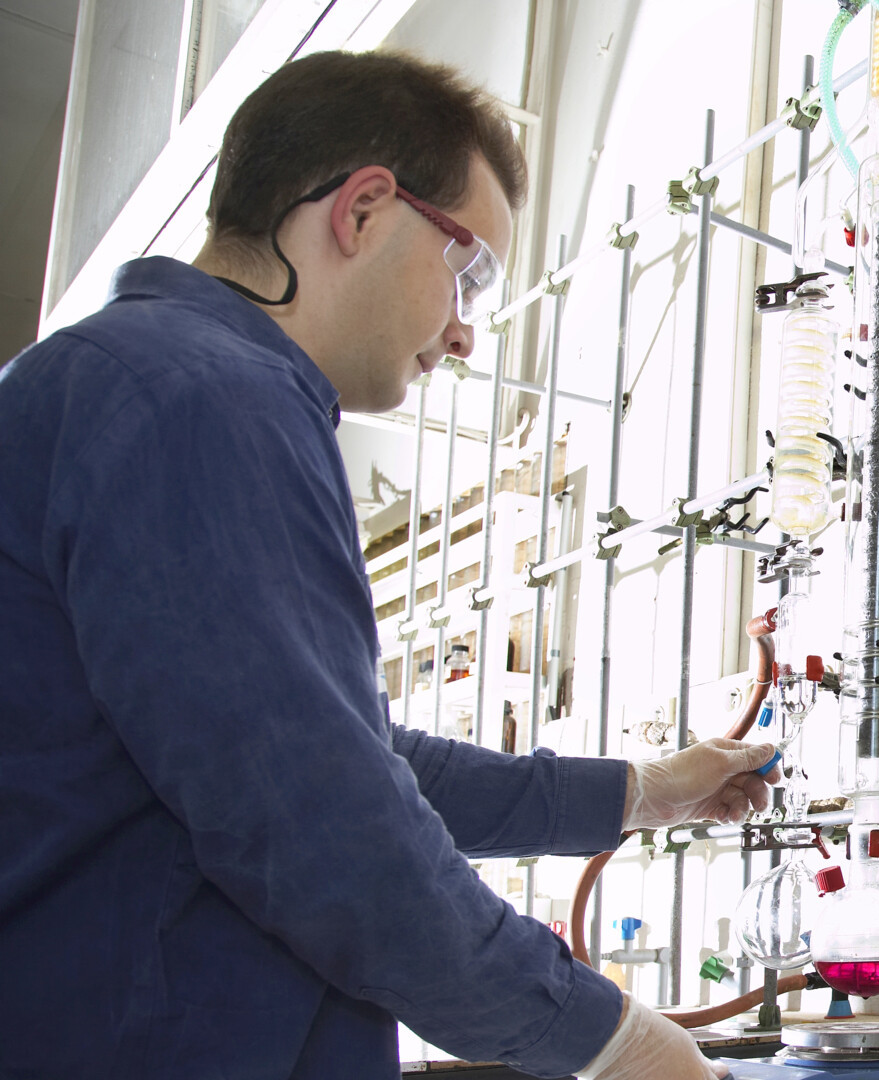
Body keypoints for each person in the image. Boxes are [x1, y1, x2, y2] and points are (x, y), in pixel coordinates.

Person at [0, 51, 772, 1080]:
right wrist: (613, 1043)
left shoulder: (133, 384)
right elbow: (327, 826)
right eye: (469, 274)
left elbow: (341, 756)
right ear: (362, 210)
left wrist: (642, 791)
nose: (461, 331)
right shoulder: (201, 397)